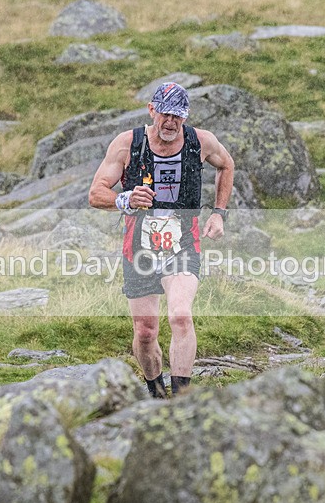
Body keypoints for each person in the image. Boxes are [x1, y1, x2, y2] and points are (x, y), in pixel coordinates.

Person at [88, 82, 234, 397]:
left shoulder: (201, 142)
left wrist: (219, 212)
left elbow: (227, 165)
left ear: (186, 116)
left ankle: (181, 399)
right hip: (139, 246)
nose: (170, 123)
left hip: (183, 243)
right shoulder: (128, 144)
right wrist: (125, 199)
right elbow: (96, 193)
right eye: (165, 115)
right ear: (152, 110)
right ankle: (155, 390)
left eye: (177, 117)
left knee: (180, 315)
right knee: (145, 332)